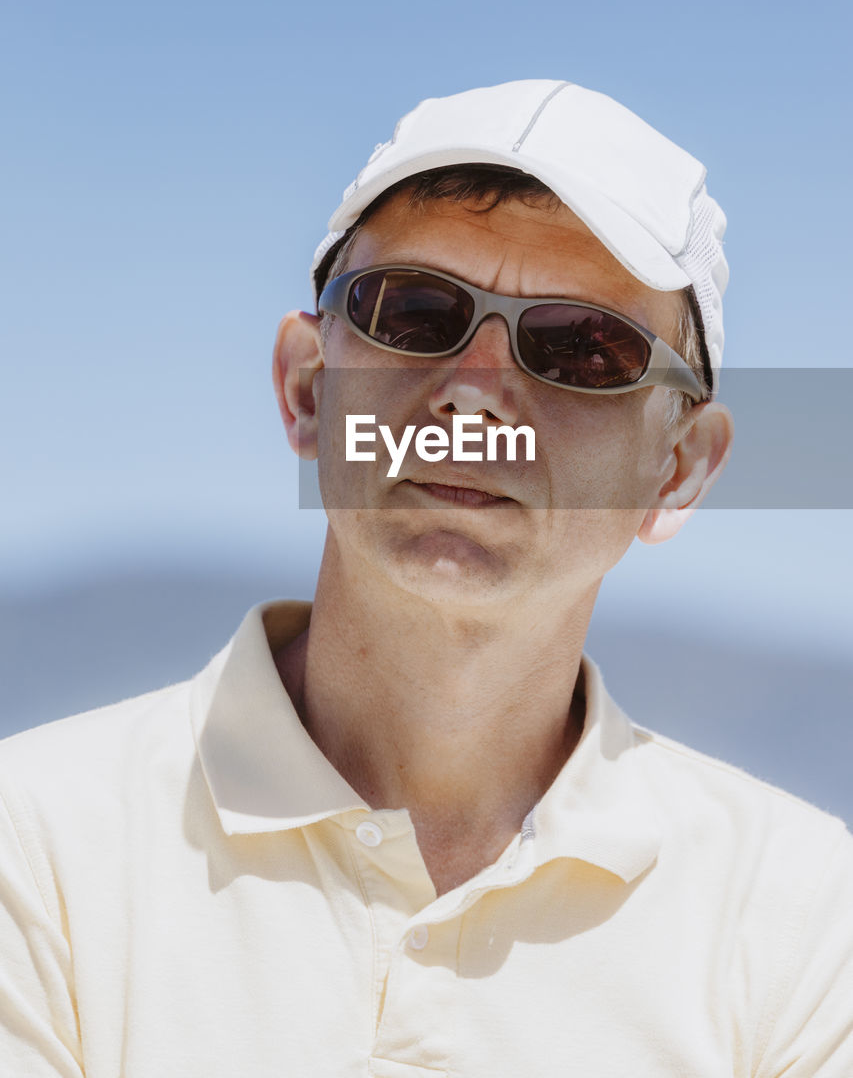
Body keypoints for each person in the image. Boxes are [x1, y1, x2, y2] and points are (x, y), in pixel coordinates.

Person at [1, 80, 851, 1076]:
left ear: (677, 468)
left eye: (582, 348)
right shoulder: (36, 848)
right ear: (307, 391)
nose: (477, 393)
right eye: (415, 312)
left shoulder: (804, 920)